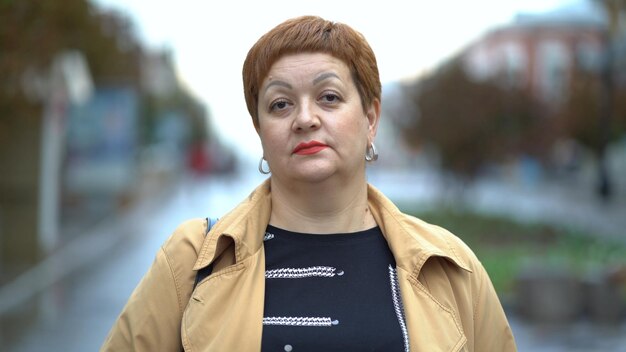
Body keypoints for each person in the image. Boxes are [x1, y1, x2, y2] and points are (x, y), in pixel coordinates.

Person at [101, 15, 517, 351]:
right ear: (261, 131)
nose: (305, 118)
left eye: (329, 97)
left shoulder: (450, 268)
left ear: (371, 118)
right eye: (280, 104)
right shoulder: (193, 261)